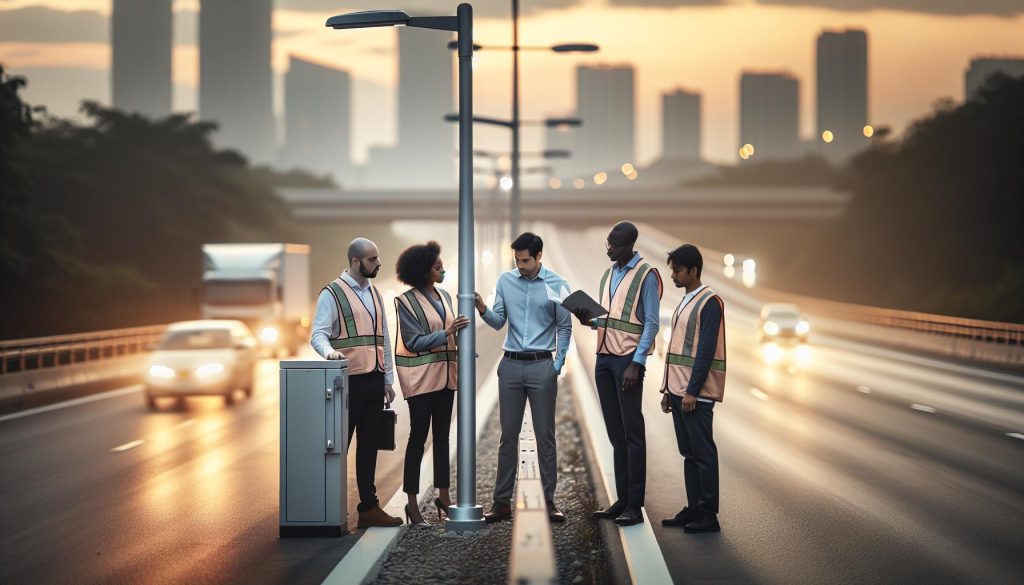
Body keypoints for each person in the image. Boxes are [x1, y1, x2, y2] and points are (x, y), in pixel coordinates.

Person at [474, 232, 573, 523]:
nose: (521, 266)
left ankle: (548, 501)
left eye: (526, 260)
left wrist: (557, 365)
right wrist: (482, 308)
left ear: (539, 256)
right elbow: (498, 322)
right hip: (511, 367)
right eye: (517, 260)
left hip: (542, 366)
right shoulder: (506, 281)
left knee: (545, 437)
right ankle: (501, 502)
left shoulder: (558, 284)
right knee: (508, 437)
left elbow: (564, 328)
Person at [569, 221, 662, 526]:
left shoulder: (646, 275)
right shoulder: (609, 274)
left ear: (628, 246)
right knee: (615, 435)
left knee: (632, 434)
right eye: (607, 242)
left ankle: (635, 507)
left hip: (626, 363)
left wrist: (638, 363)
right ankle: (622, 500)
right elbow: (611, 319)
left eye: (612, 244)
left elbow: (650, 323)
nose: (607, 248)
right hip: (604, 359)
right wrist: (590, 321)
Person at [311, 237, 402, 529]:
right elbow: (318, 335)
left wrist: (388, 378)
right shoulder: (332, 293)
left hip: (374, 381)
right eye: (373, 259)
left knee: (369, 446)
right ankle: (325, 509)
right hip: (347, 382)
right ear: (355, 261)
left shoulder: (374, 292)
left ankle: (368, 508)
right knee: (339, 447)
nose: (378, 264)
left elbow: (383, 338)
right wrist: (330, 353)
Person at [393, 241, 469, 528]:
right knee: (418, 438)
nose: (444, 270)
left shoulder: (446, 296)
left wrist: (461, 340)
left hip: (446, 377)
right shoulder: (406, 302)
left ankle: (444, 497)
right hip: (421, 379)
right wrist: (447, 332)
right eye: (438, 267)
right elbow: (413, 343)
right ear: (424, 271)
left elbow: (450, 336)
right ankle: (411, 505)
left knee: (443, 438)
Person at [659, 244, 726, 533]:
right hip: (678, 389)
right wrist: (667, 389)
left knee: (703, 452)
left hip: (694, 393)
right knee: (689, 452)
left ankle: (708, 514)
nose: (673, 274)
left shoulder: (709, 302)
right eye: (672, 269)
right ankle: (693, 507)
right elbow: (676, 350)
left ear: (693, 271)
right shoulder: (687, 300)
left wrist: (692, 391)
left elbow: (706, 350)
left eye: (677, 269)